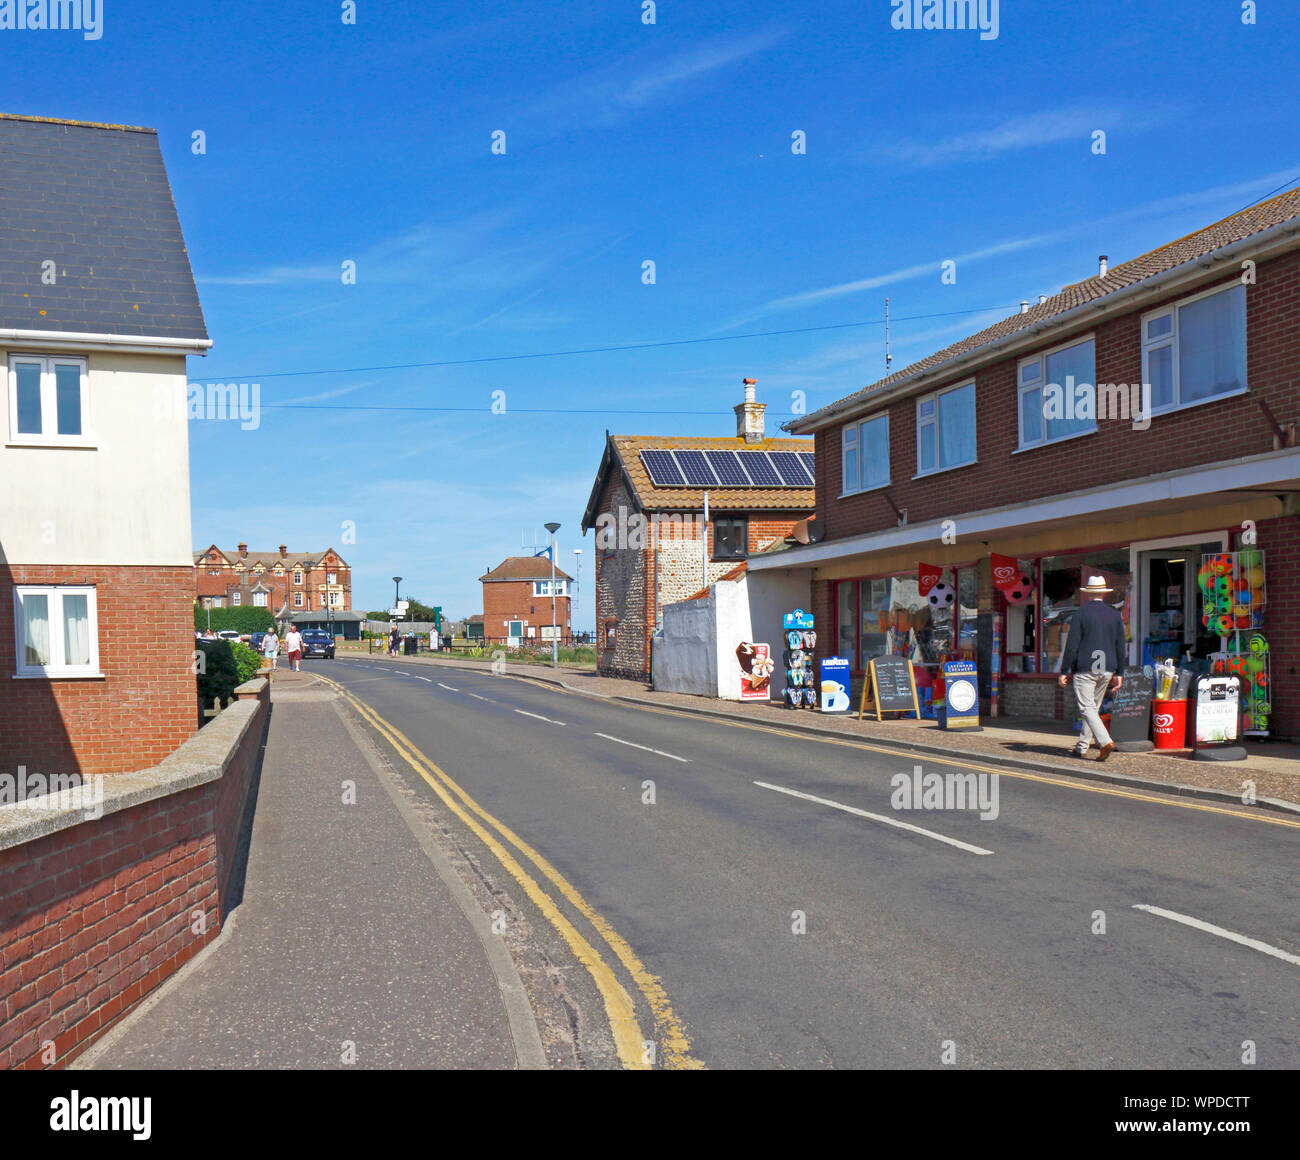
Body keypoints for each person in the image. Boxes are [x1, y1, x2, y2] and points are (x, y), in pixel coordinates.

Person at [1058, 575, 1127, 761]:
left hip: (1085, 668)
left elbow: (1072, 645)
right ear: (1104, 594)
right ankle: (1082, 747)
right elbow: (1121, 645)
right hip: (1106, 668)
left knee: (1086, 708)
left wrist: (1064, 670)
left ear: (1088, 595)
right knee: (1092, 709)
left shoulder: (1080, 615)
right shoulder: (1114, 615)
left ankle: (1105, 741)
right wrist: (1120, 672)